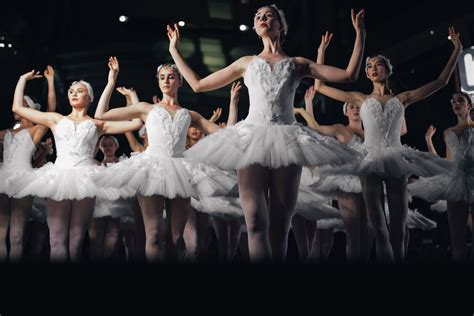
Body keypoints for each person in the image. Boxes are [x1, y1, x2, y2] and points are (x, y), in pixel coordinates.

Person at [167, 5, 367, 262]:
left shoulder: (298, 64)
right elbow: (197, 85)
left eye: (268, 15)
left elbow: (349, 75)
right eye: (258, 16)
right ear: (255, 27)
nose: (262, 18)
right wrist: (174, 49)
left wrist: (360, 34)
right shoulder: (246, 63)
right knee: (255, 223)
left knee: (280, 227)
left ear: (281, 26)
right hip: (252, 139)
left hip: (287, 140)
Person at [313, 26, 462, 262]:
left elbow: (441, 82)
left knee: (398, 229)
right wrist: (321, 52)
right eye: (369, 67)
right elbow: (320, 86)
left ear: (387, 70)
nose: (372, 69)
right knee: (378, 227)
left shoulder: (402, 98)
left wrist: (457, 50)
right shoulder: (359, 98)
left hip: (395, 158)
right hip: (369, 158)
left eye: (377, 65)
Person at [93, 58, 235, 262]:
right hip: (152, 169)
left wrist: (235, 105)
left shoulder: (189, 114)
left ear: (180, 81)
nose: (166, 81)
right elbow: (101, 114)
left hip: (180, 171)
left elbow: (224, 133)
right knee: (154, 234)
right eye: (162, 78)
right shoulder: (145, 108)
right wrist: (111, 81)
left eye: (171, 77)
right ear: (158, 82)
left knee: (176, 238)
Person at [11, 62, 143, 262]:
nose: (73, 93)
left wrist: (114, 84)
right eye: (71, 91)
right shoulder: (55, 119)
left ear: (89, 97)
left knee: (76, 241)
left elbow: (136, 122)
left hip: (85, 179)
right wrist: (22, 80)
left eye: (79, 91)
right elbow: (17, 107)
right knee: (56, 240)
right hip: (59, 177)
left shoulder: (98, 124)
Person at [409, 92, 474, 261]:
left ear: (470, 105)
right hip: (456, 184)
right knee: (457, 240)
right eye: (453, 101)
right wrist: (429, 140)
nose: (456, 103)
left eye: (460, 100)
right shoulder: (447, 133)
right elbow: (447, 162)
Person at [0, 65, 56, 262]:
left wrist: (50, 82)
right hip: (3, 178)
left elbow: (50, 111)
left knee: (16, 236)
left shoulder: (36, 131)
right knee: (0, 234)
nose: (18, 105)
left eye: (23, 103)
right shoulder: (6, 132)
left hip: (23, 178)